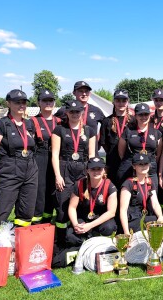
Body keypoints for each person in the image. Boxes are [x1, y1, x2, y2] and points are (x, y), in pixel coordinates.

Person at [0, 90, 38, 246]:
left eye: (24, 102)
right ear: (8, 103)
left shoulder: (29, 124)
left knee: (25, 214)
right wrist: (2, 174)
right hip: (9, 170)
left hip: (30, 171)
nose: (21, 105)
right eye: (17, 102)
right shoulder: (1, 124)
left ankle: (19, 250)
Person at [51, 100, 97, 244]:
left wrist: (91, 176)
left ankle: (81, 236)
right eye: (72, 111)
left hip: (83, 169)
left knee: (83, 203)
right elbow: (55, 154)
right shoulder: (59, 130)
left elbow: (91, 155)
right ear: (67, 113)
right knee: (63, 205)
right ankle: (62, 238)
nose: (75, 114)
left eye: (77, 111)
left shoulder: (90, 130)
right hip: (65, 168)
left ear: (82, 112)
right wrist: (58, 175)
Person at [66, 157, 118, 245]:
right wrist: (75, 224)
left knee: (109, 227)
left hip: (101, 220)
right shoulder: (79, 184)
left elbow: (111, 212)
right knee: (70, 237)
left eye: (99, 169)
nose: (96, 172)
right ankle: (85, 244)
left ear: (104, 170)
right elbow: (72, 207)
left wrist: (90, 225)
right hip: (84, 218)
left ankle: (102, 245)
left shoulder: (110, 185)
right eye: (93, 169)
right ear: (87, 170)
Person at [30, 89, 62, 224]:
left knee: (54, 192)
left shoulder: (60, 121)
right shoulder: (32, 122)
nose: (48, 103)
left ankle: (48, 223)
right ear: (39, 102)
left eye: (51, 100)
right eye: (45, 100)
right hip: (40, 158)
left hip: (58, 158)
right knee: (40, 192)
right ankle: (37, 223)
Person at [117, 103, 162, 187]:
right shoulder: (128, 131)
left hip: (149, 168)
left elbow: (158, 154)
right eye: (140, 114)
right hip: (130, 168)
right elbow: (121, 152)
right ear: (136, 116)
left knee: (151, 195)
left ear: (149, 115)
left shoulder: (156, 133)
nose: (144, 117)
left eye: (146, 114)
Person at [119, 153, 163, 233]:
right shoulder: (128, 184)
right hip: (133, 221)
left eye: (145, 164)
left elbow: (155, 203)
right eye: (140, 164)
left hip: (145, 218)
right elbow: (123, 210)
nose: (143, 166)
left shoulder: (149, 182)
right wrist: (126, 233)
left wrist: (160, 217)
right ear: (134, 166)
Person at [54, 81, 104, 151]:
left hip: (91, 150)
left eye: (86, 91)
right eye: (81, 91)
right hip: (70, 150)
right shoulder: (64, 110)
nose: (84, 94)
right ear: (74, 93)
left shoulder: (96, 110)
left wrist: (99, 140)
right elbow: (53, 123)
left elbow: (106, 125)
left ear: (89, 93)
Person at [99, 89, 132, 184]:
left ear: (128, 102)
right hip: (112, 163)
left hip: (129, 163)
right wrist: (112, 153)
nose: (121, 103)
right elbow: (104, 143)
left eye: (124, 100)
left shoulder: (133, 121)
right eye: (118, 100)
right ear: (113, 102)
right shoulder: (106, 121)